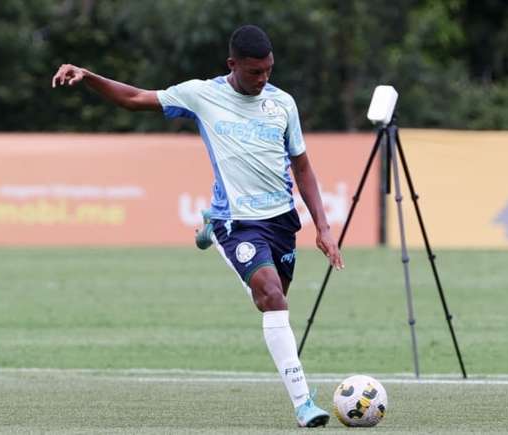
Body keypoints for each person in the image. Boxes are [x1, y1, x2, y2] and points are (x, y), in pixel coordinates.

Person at [51, 24, 344, 428]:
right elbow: (136, 99)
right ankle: (303, 403)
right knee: (273, 297)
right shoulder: (202, 95)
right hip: (237, 222)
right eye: (255, 72)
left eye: (269, 70)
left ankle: (206, 230)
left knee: (268, 301)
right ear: (232, 65)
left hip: (280, 222)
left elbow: (303, 166)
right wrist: (89, 77)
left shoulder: (283, 105)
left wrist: (323, 227)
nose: (263, 79)